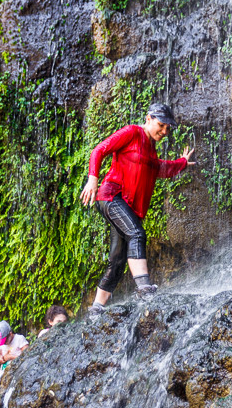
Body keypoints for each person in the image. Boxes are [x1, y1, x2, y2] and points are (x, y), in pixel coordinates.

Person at [80, 102, 193, 314]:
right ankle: (144, 290)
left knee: (117, 260)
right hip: (111, 196)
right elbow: (100, 149)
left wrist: (183, 163)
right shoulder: (132, 132)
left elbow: (162, 168)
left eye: (168, 128)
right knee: (137, 234)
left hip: (126, 209)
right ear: (148, 119)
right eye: (161, 125)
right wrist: (93, 178)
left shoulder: (151, 151)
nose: (164, 131)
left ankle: (96, 308)